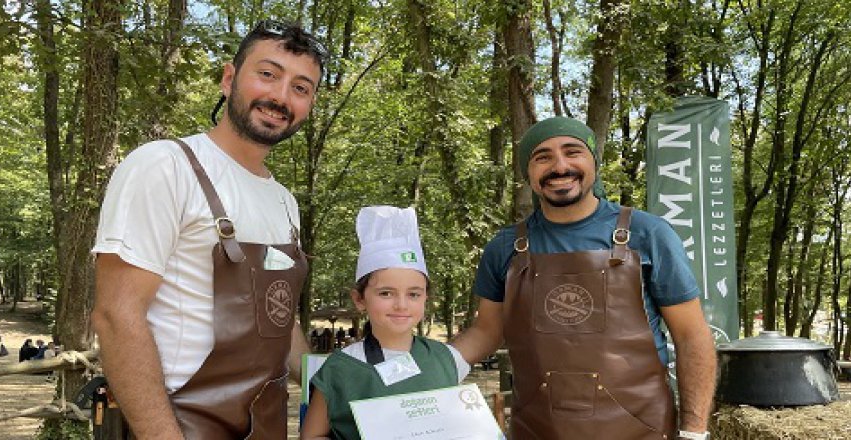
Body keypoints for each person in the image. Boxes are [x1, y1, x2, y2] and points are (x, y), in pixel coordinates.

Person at [90, 19, 328, 439]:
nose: (280, 96)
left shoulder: (285, 202)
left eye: (301, 87)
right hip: (179, 425)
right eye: (268, 74)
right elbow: (116, 316)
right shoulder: (166, 165)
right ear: (229, 77)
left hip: (267, 427)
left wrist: (337, 381)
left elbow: (278, 320)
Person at [453, 117, 717, 440]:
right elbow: (486, 332)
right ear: (528, 173)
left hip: (642, 431)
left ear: (593, 161)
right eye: (543, 157)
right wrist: (429, 364)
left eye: (572, 151)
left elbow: (692, 337)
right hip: (537, 432)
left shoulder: (649, 235)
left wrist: (693, 433)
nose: (560, 166)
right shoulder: (505, 247)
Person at [301, 206, 471, 440]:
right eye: (386, 293)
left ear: (426, 298)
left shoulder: (447, 358)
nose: (401, 305)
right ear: (360, 299)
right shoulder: (340, 368)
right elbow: (311, 436)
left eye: (413, 294)